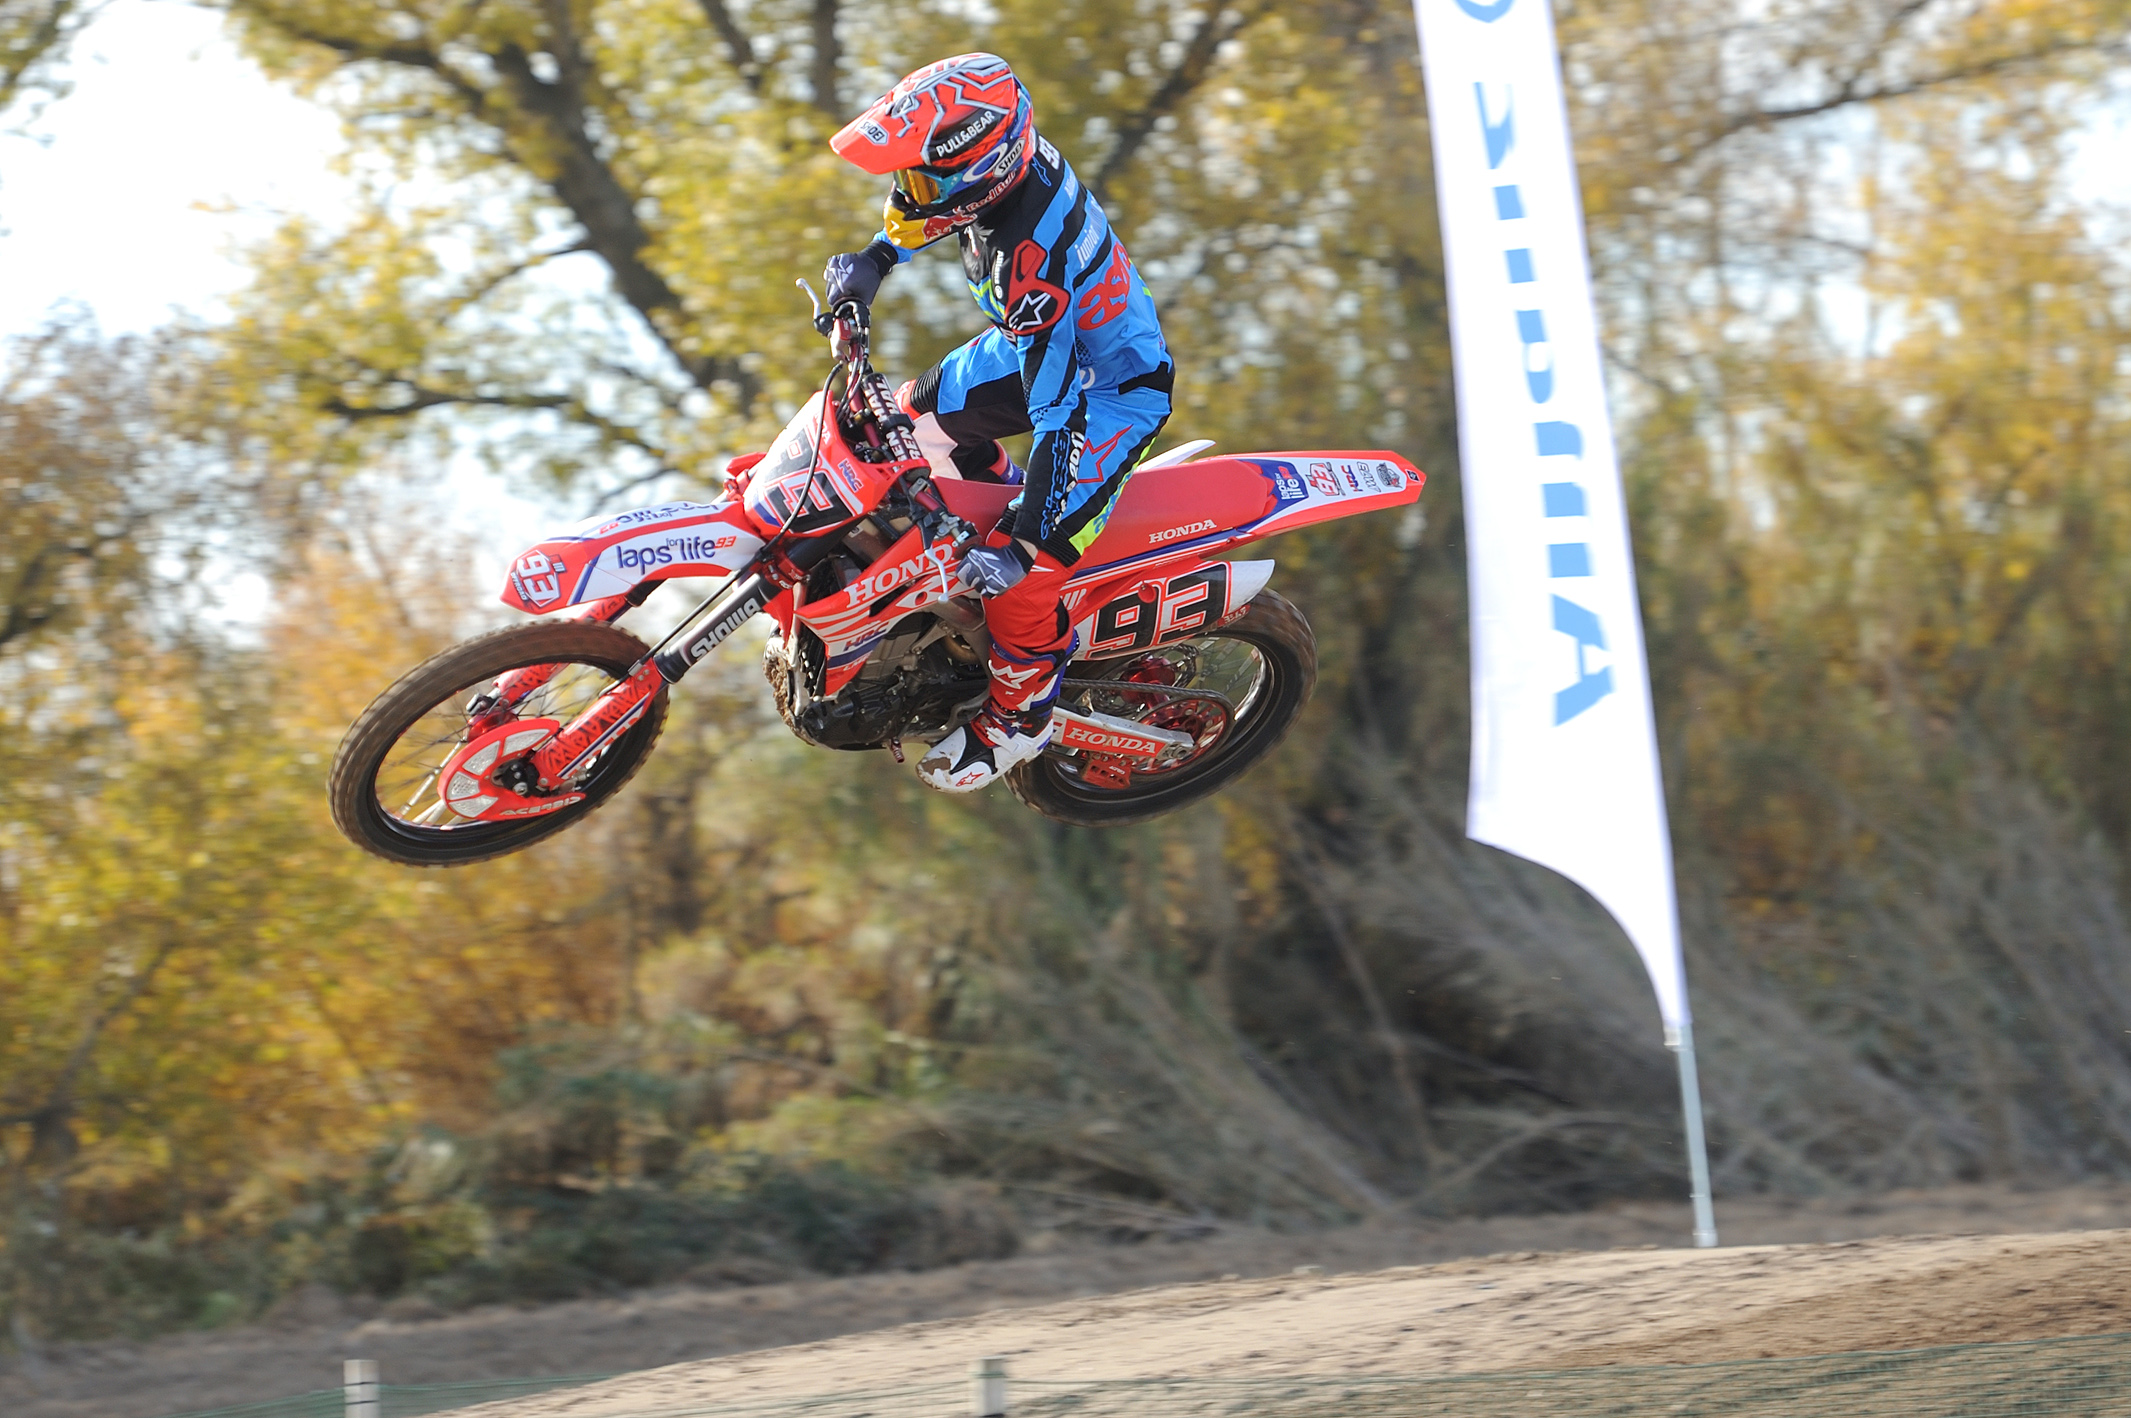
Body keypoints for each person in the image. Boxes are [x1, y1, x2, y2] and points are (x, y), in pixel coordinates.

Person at [821, 53, 1173, 793]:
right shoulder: (1000, 176)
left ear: (981, 172)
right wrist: (877, 259)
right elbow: (926, 210)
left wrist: (1023, 538)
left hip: (1107, 387)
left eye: (920, 180)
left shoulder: (1030, 261)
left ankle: (1022, 716)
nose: (906, 193)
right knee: (901, 423)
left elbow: (1058, 412)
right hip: (1034, 348)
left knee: (1025, 567)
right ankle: (976, 547)